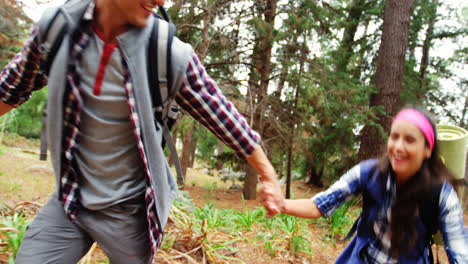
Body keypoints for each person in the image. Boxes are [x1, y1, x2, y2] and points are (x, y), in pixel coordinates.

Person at [0, 0, 284, 263]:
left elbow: (222, 115)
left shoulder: (166, 52)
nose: (161, 1)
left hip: (130, 214)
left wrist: (267, 174)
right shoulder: (58, 30)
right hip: (71, 200)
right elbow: (11, 87)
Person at [280, 107, 468, 263]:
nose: (398, 147)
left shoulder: (441, 195)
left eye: (409, 140)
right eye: (394, 137)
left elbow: (460, 254)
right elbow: (320, 205)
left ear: (427, 149)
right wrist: (280, 204)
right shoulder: (369, 173)